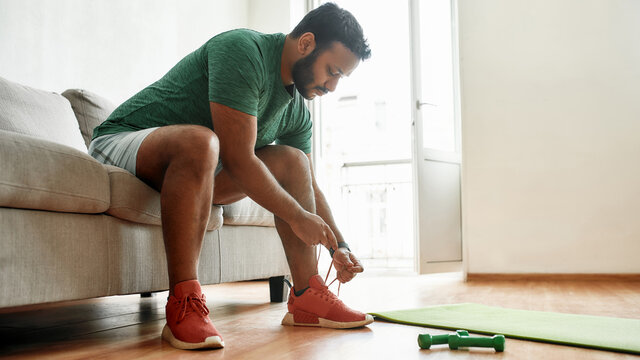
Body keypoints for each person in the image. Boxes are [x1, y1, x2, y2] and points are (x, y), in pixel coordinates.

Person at [89, 2, 372, 350]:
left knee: (294, 161)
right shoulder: (244, 50)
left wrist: (339, 246)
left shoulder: (297, 109)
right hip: (123, 141)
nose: (332, 86)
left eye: (340, 77)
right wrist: (297, 217)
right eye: (332, 71)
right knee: (201, 142)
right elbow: (239, 161)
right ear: (306, 43)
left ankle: (307, 296)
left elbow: (309, 184)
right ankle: (184, 302)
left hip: (198, 168)